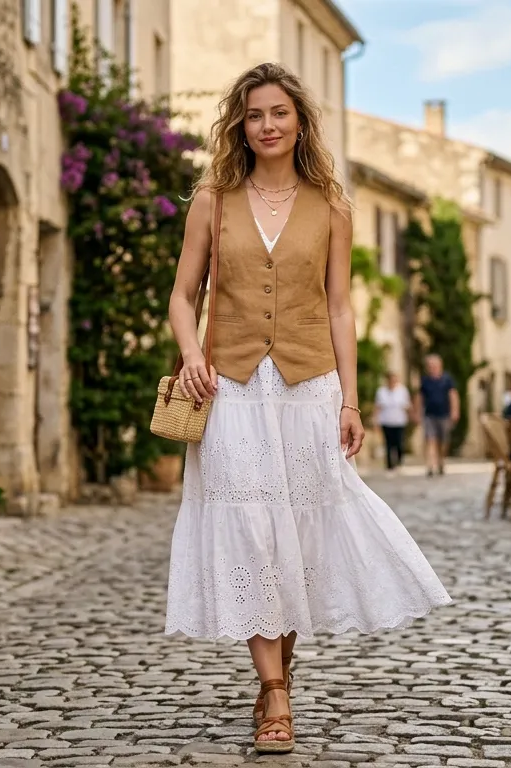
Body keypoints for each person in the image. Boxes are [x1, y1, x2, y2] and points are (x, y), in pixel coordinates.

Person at [162, 63, 451, 754]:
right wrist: (192, 353)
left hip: (307, 387)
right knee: (252, 534)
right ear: (241, 123)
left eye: (279, 113)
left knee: (298, 534)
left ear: (299, 123)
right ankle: (275, 694)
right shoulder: (213, 199)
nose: (267, 124)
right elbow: (182, 296)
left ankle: (279, 669)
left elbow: (341, 307)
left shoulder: (332, 205)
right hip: (228, 387)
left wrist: (350, 399)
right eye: (256, 114)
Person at [414, 354, 459, 477]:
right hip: (429, 415)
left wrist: (455, 411)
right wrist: (417, 413)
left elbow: (453, 395)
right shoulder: (425, 381)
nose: (432, 368)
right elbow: (420, 397)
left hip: (444, 414)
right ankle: (430, 465)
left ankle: (441, 462)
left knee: (443, 441)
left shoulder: (447, 380)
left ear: (440, 366)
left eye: (434, 365)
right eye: (430, 366)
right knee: (430, 439)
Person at [373, 371, 411, 471]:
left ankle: (399, 461)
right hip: (386, 421)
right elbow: (378, 406)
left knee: (398, 442)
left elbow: (407, 405)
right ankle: (389, 465)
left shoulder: (402, 390)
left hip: (399, 421)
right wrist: (375, 419)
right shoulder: (381, 391)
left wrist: (412, 415)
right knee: (388, 443)